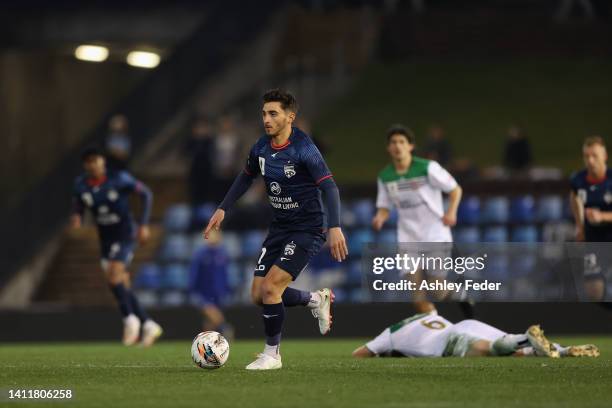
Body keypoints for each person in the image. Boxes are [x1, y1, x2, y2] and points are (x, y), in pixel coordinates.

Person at [204, 89, 348, 370]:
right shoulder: (260, 147)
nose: (266, 119)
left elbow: (329, 186)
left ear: (290, 117)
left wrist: (335, 227)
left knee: (271, 288)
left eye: (273, 114)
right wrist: (223, 207)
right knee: (258, 294)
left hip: (307, 229)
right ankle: (315, 300)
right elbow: (245, 177)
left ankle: (273, 355)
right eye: (264, 114)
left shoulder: (304, 147)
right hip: (280, 228)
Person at [71, 147, 162, 346]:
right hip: (105, 239)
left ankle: (130, 319)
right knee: (119, 284)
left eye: (96, 160)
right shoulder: (81, 185)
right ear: (85, 165)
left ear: (103, 161)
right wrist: (77, 215)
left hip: (126, 234)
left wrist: (144, 224)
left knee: (114, 274)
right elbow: (78, 201)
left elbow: (145, 193)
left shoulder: (119, 179)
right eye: (89, 161)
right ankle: (148, 323)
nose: (93, 165)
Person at [371, 124, 464, 314]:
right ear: (389, 148)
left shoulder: (428, 168)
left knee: (437, 289)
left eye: (402, 142)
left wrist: (451, 212)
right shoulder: (385, 176)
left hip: (435, 233)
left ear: (410, 146)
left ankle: (461, 297)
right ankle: (431, 330)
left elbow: (455, 189)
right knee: (417, 292)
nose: (397, 146)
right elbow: (384, 206)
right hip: (408, 237)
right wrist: (380, 217)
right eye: (393, 142)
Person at [352, 311, 599, 359]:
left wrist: (380, 352)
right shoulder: (427, 316)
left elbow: (360, 354)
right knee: (507, 351)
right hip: (466, 324)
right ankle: (564, 350)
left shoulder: (390, 335)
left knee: (492, 350)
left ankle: (526, 337)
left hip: (451, 341)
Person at [569, 136, 612, 302]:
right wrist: (580, 226)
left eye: (594, 155)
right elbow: (574, 199)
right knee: (593, 290)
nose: (590, 160)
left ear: (605, 156)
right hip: (593, 240)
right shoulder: (578, 180)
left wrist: (602, 216)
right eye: (586, 156)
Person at [189, 229, 234, 340]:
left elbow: (225, 274)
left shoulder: (223, 253)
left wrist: (228, 289)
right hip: (204, 292)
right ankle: (225, 329)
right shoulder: (200, 254)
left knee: (209, 322)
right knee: (212, 313)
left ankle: (206, 343)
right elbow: (194, 273)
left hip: (219, 292)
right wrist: (192, 289)